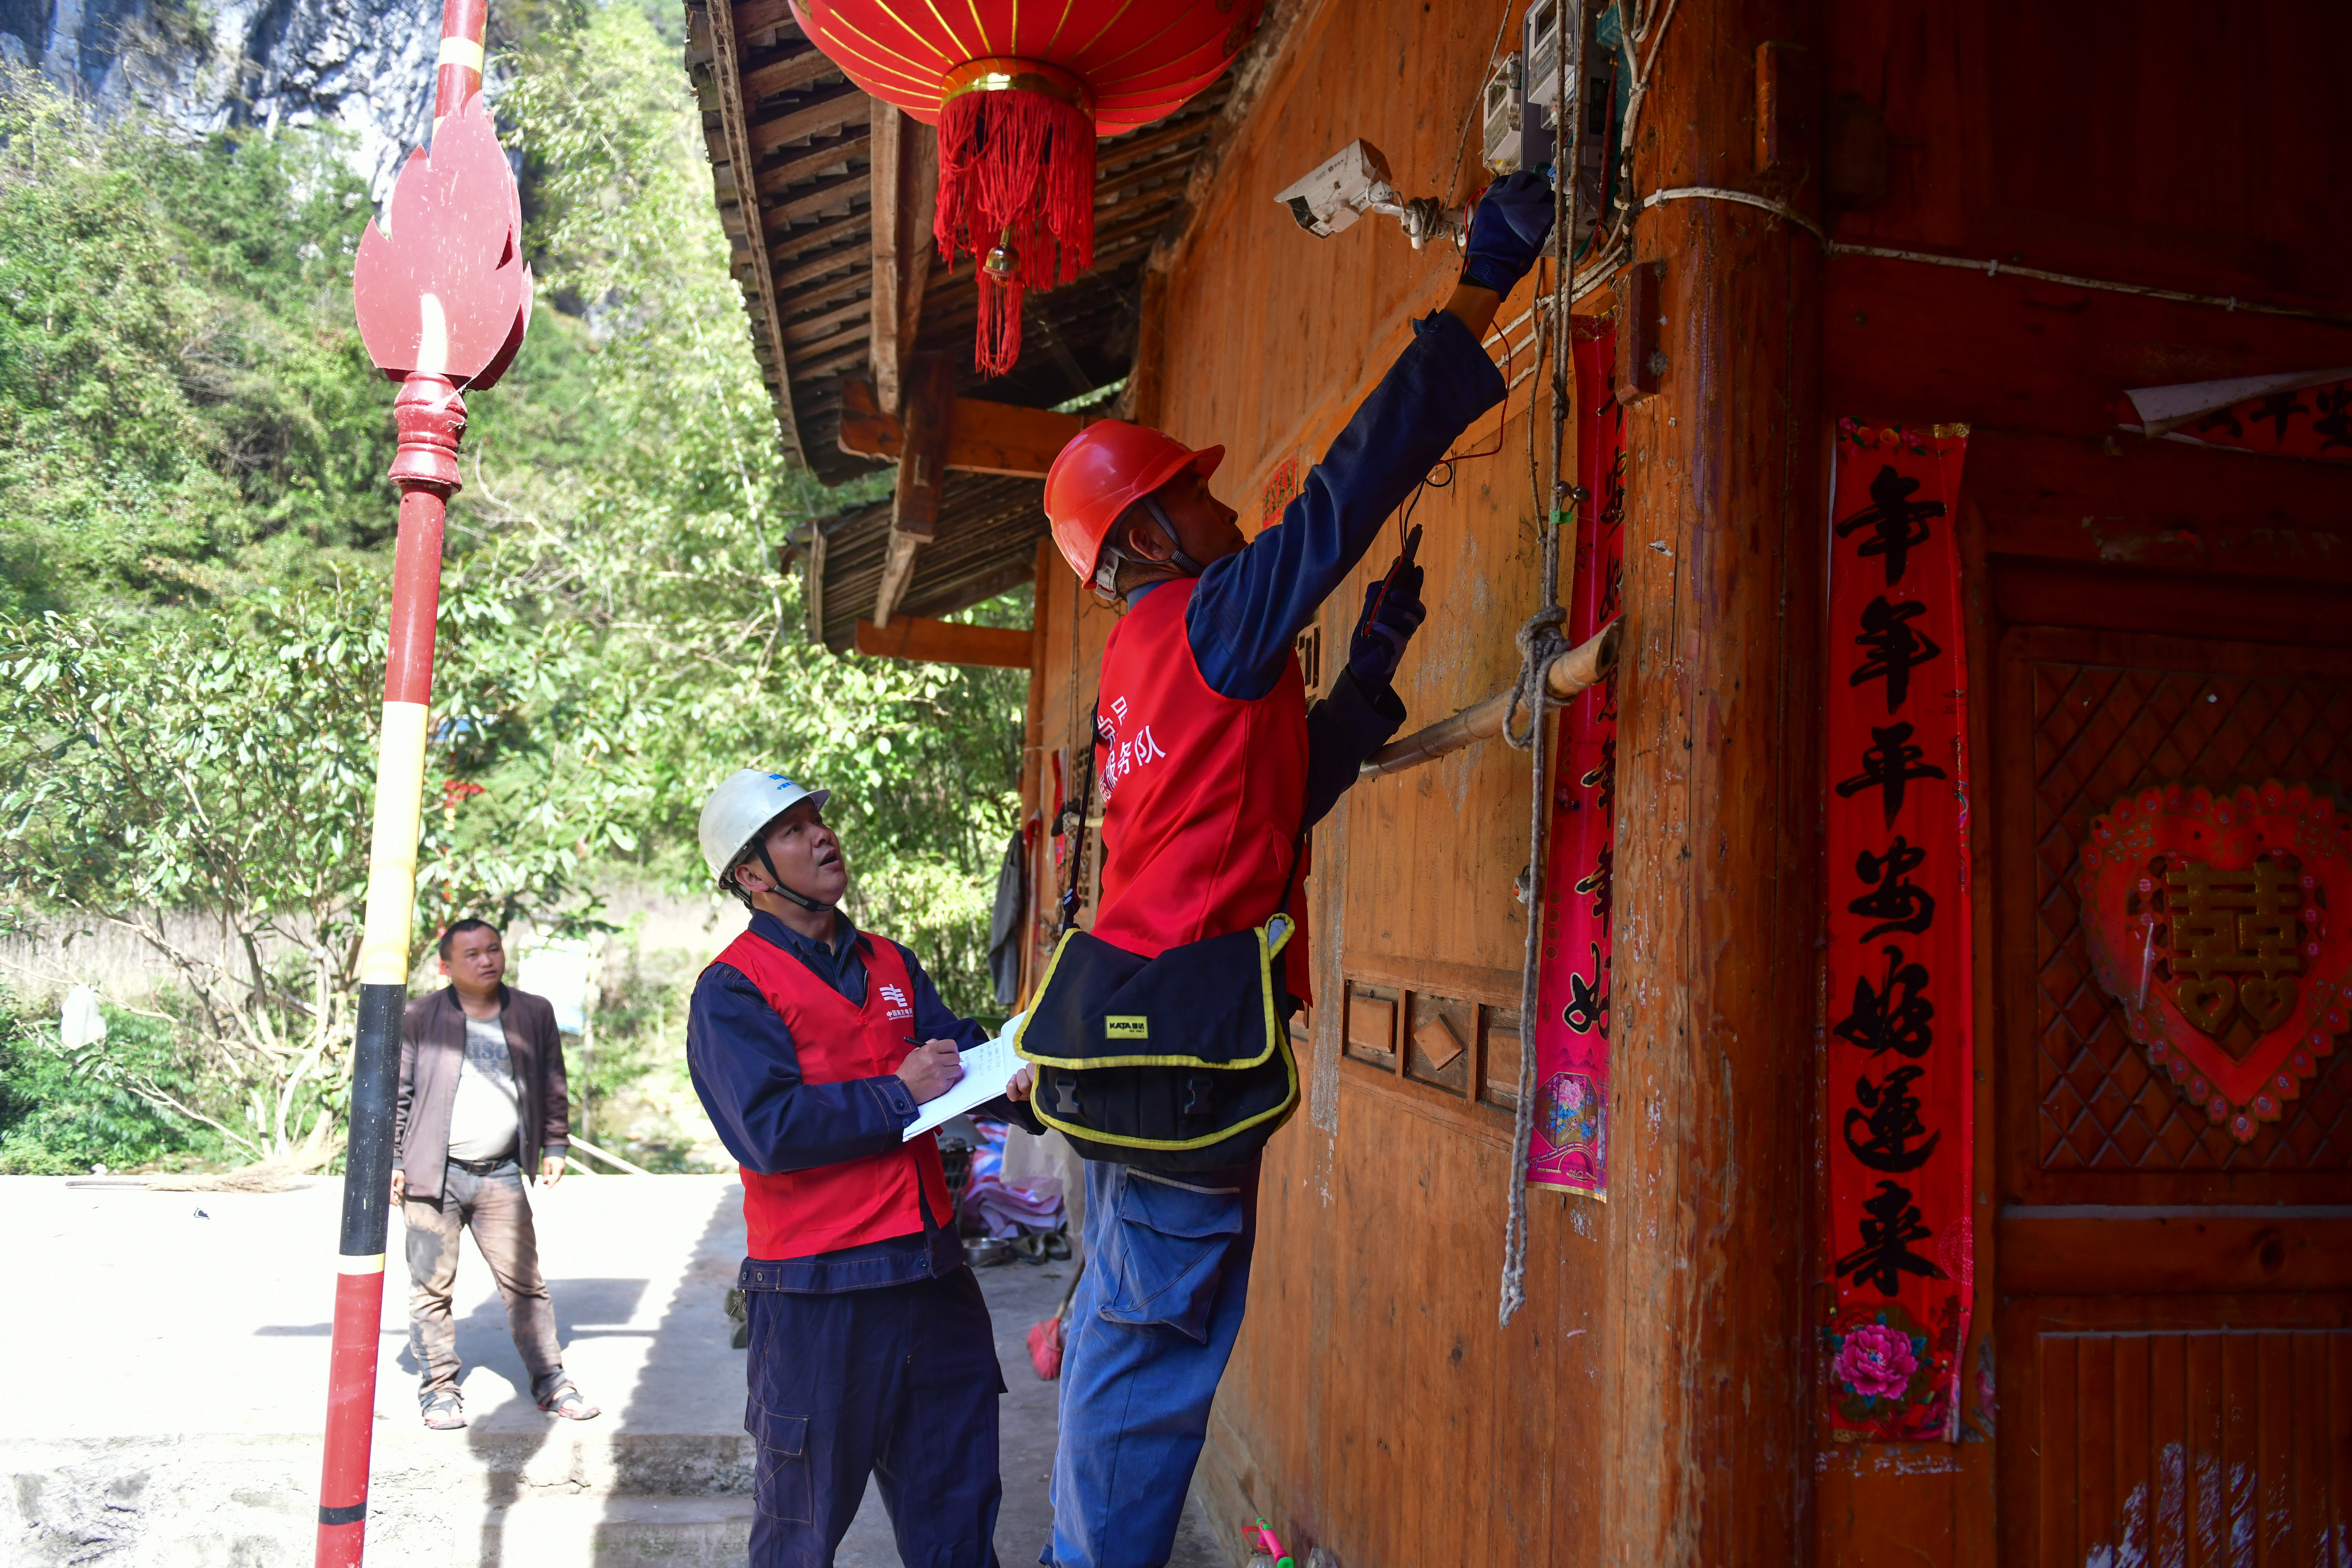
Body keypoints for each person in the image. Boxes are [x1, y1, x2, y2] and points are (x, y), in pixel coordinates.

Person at [1018, 171, 1559, 1567]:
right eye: (1191, 498)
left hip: (1139, 1070)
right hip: (1183, 1069)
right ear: (1145, 539)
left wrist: (1368, 676)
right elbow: (1341, 497)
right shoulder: (1203, 616)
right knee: (1145, 1369)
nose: (1221, 514)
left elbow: (1257, 814)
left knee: (1131, 1344)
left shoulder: (1144, 673)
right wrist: (1480, 284)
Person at [686, 770, 1032, 1568]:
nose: (822, 836)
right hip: (818, 1296)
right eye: (794, 829)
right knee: (800, 1534)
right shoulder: (733, 990)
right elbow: (766, 1131)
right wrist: (895, 1093)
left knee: (958, 1514)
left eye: (818, 821)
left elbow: (964, 1060)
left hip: (933, 1279)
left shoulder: (891, 962)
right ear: (750, 874)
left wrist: (1024, 1087)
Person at [392, 917, 599, 1429]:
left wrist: (555, 1142)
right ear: (446, 966)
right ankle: (439, 1389)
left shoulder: (533, 1012)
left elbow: (553, 1080)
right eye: (472, 954)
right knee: (431, 1289)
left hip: (501, 1174)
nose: (487, 960)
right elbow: (397, 1095)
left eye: (493, 949)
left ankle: (551, 1379)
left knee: (525, 1284)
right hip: (430, 1179)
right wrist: (393, 1162)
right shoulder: (419, 1017)